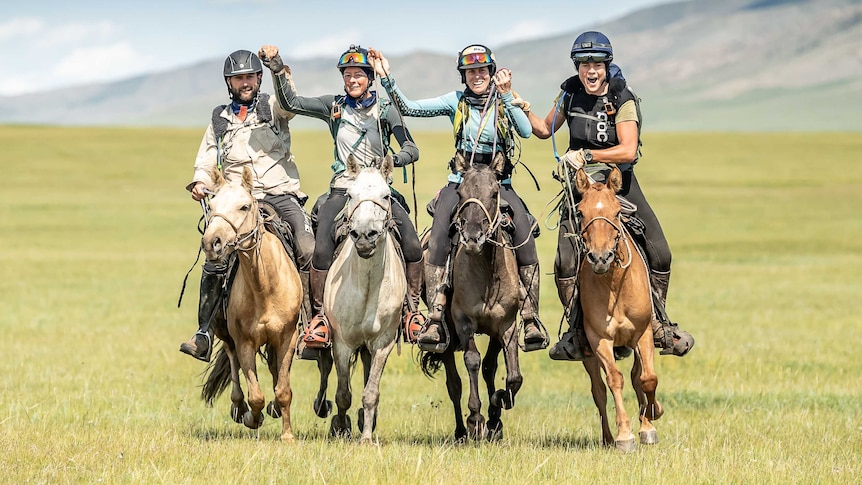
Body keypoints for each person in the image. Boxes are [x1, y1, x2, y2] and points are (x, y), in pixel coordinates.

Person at [523, 31, 695, 360]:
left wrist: (586, 155)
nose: (591, 71)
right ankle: (576, 333)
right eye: (584, 64)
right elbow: (545, 130)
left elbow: (628, 149)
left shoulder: (622, 98)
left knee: (660, 253)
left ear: (606, 66)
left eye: (597, 64)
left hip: (620, 182)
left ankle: (659, 324)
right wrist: (518, 105)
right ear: (577, 67)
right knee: (565, 262)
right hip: (581, 187)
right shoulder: (570, 94)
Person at [370, 44, 548, 353]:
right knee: (439, 232)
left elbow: (525, 131)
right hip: (461, 183)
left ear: (491, 73)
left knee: (523, 232)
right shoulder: (456, 101)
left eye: (482, 71)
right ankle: (437, 314)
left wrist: (507, 95)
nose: (476, 76)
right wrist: (386, 78)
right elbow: (410, 107)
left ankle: (531, 315)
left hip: (498, 184)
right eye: (470, 72)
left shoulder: (505, 101)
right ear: (463, 76)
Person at [259, 44, 426, 349]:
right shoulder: (333, 107)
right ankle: (320, 318)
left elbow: (411, 149)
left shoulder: (386, 110)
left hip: (378, 189)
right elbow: (290, 102)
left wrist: (392, 162)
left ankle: (412, 313)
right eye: (347, 75)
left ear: (369, 78)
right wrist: (277, 68)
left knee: (413, 243)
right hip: (344, 188)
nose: (351, 80)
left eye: (358, 75)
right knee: (321, 247)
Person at [179, 49, 315, 362]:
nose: (245, 82)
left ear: (258, 78)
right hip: (235, 198)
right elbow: (206, 157)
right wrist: (200, 182)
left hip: (280, 194)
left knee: (307, 246)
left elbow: (290, 103)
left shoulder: (273, 106)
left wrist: (279, 69)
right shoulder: (219, 119)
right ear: (230, 82)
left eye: (250, 76)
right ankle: (203, 332)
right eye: (238, 78)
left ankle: (313, 326)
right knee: (213, 251)